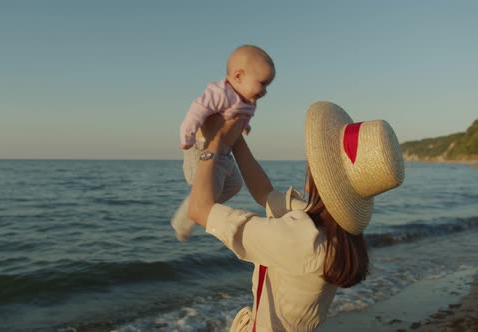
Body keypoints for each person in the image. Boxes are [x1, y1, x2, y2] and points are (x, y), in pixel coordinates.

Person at [188, 101, 405, 331]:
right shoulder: (330, 231)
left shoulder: (302, 240)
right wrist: (234, 139)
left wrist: (213, 146)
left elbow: (199, 209)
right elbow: (265, 193)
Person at [171, 45, 275, 241]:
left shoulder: (248, 99)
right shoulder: (221, 93)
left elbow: (243, 117)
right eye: (262, 83)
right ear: (238, 76)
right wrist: (187, 135)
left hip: (225, 149)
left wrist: (244, 127)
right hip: (202, 147)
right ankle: (184, 219)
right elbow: (197, 110)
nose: (265, 91)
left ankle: (199, 205)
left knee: (235, 185)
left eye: (268, 85)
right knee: (206, 187)